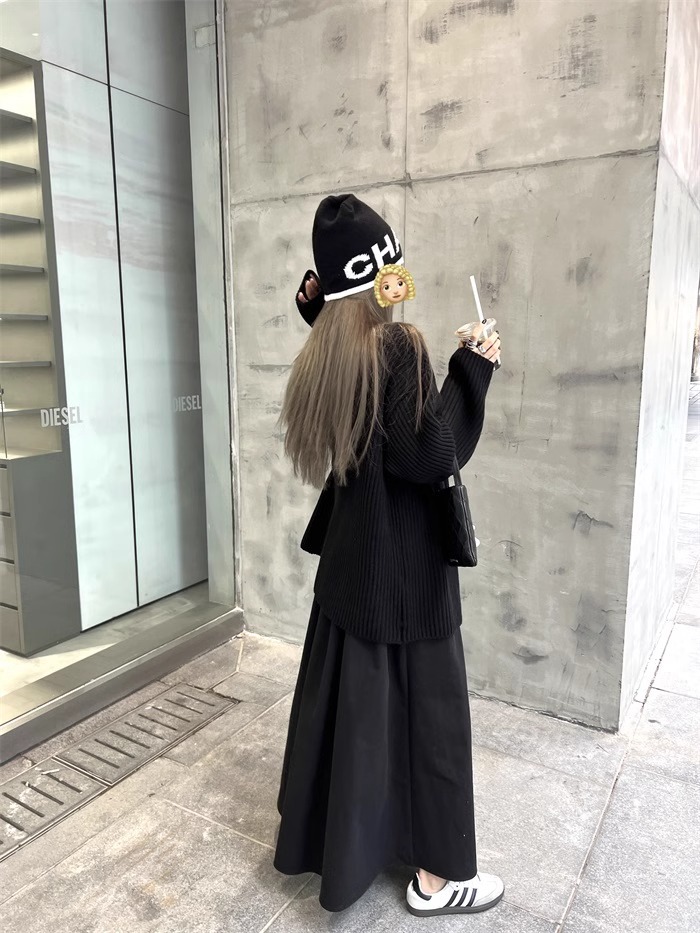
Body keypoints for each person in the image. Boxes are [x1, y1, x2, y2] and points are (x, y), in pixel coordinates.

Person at [273, 193, 504, 917]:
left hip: (353, 572)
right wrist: (473, 368)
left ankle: (341, 847)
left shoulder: (329, 352)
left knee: (358, 716)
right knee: (431, 719)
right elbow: (429, 454)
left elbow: (374, 414)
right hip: (407, 573)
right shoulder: (398, 347)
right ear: (379, 275)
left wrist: (316, 306)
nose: (398, 281)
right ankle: (439, 877)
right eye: (390, 267)